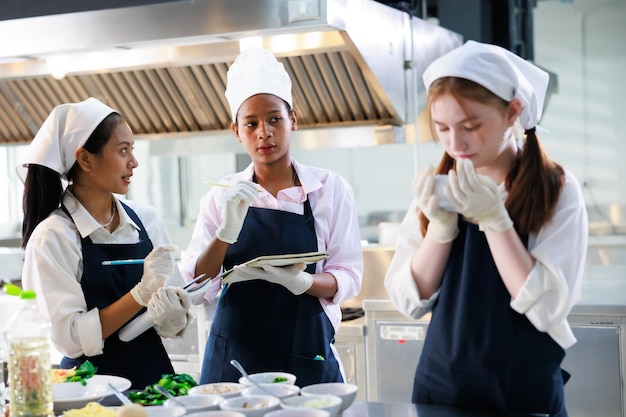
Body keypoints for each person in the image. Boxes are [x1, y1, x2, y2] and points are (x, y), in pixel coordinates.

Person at [384, 41, 588, 416]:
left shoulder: (556, 188)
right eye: (442, 128)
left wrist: (496, 221)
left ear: (513, 112)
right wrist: (440, 231)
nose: (455, 143)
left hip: (521, 393)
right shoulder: (439, 186)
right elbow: (409, 300)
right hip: (441, 389)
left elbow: (545, 310)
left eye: (472, 126)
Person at [181, 47, 363, 387]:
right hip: (234, 358)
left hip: (304, 351)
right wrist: (225, 233)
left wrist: (305, 283)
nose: (264, 131)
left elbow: (348, 275)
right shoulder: (222, 195)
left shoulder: (329, 189)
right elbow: (196, 287)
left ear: (292, 119)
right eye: (251, 123)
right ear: (237, 131)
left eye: (274, 119)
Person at [17, 98, 192, 389]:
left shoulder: (146, 220)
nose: (133, 162)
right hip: (89, 392)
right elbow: (71, 339)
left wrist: (173, 315)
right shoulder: (54, 236)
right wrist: (141, 294)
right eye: (123, 150)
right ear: (85, 159)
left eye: (132, 150)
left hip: (156, 385)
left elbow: (172, 320)